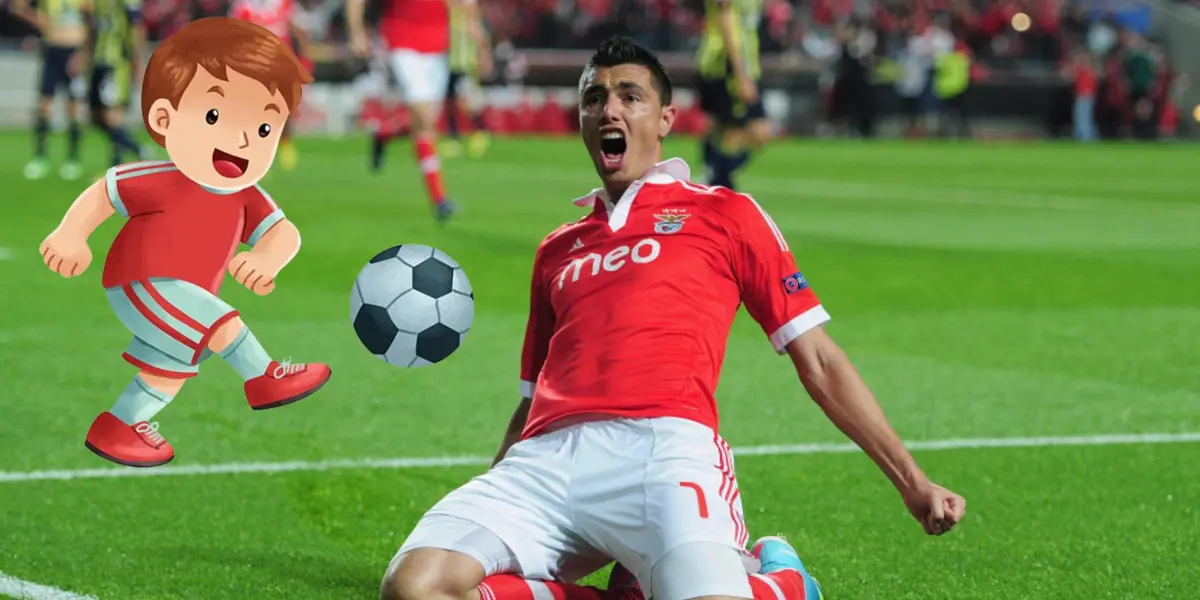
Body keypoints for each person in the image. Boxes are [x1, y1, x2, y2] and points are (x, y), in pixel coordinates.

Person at [380, 36, 966, 600]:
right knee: (414, 587)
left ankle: (781, 582)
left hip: (664, 454)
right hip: (545, 461)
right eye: (594, 98)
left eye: (630, 96)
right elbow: (529, 401)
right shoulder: (557, 248)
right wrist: (495, 490)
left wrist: (911, 481)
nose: (609, 109)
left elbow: (817, 357)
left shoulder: (725, 214)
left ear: (665, 119)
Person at [37, 17, 332, 469]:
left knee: (170, 368)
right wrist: (70, 235)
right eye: (214, 116)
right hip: (144, 279)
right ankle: (264, 375)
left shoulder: (247, 194)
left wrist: (267, 258)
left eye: (264, 128)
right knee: (221, 323)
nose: (242, 138)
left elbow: (283, 232)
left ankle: (120, 425)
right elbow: (106, 191)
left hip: (187, 292)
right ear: (164, 118)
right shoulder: (162, 178)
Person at [346, 0, 486, 222]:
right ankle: (439, 199)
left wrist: (471, 24)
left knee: (426, 124)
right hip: (402, 44)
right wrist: (356, 32)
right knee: (424, 117)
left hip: (438, 48)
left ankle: (385, 134)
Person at [695, 0, 769, 191]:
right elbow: (726, 20)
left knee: (722, 133)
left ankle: (713, 176)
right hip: (726, 65)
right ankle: (715, 178)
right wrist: (740, 74)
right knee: (750, 132)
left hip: (744, 66)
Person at [12, 0, 89, 180]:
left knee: (73, 108)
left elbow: (91, 23)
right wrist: (32, 15)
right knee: (43, 106)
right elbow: (22, 9)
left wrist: (83, 54)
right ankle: (40, 158)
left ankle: (73, 160)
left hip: (73, 52)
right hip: (52, 52)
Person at [230, 0, 311, 170]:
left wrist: (305, 61)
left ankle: (286, 145)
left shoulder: (285, 4)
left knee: (284, 108)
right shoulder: (244, 6)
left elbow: (301, 30)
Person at [81, 0, 151, 168]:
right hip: (98, 61)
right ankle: (136, 147)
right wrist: (84, 55)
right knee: (95, 117)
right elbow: (92, 27)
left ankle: (115, 166)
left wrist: (137, 60)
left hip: (117, 63)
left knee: (112, 115)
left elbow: (137, 26)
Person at [441, 0, 493, 159]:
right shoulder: (449, 17)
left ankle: (480, 132)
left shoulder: (469, 19)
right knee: (449, 103)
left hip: (465, 64)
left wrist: (484, 57)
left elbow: (482, 38)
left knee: (466, 102)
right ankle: (453, 138)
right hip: (448, 63)